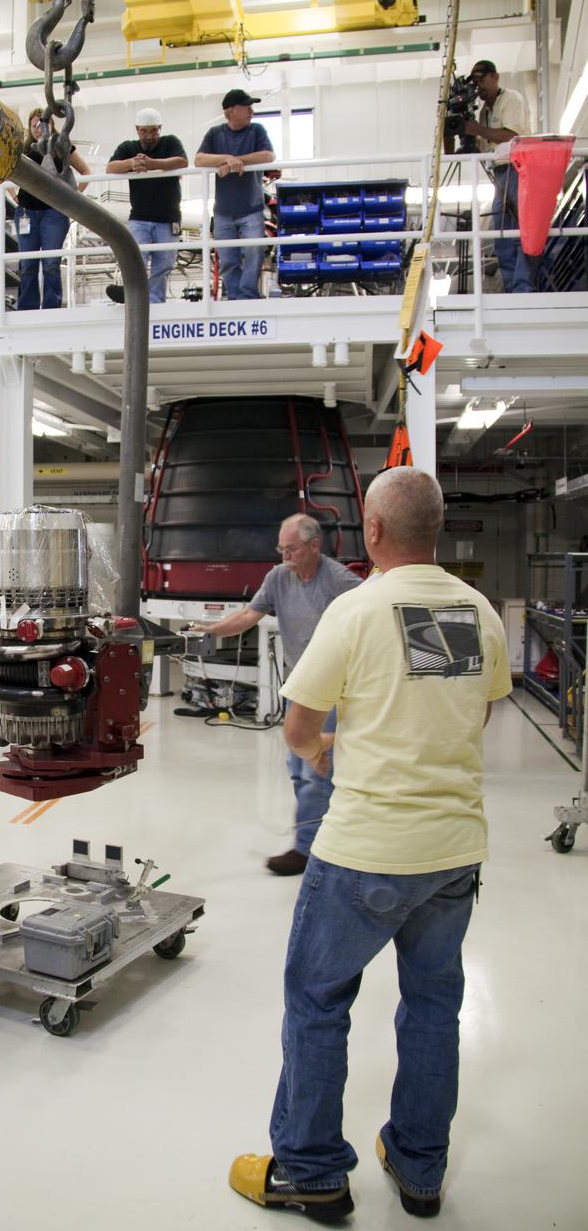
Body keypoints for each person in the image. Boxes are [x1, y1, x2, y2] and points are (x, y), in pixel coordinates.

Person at [228, 467, 512, 1222]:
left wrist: (328, 753)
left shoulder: (355, 611)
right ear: (437, 530)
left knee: (317, 1004)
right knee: (430, 1009)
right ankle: (419, 1168)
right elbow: (474, 716)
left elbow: (297, 726)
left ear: (373, 531)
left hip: (363, 853)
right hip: (452, 854)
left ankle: (311, 1173)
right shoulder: (476, 611)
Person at [201, 514, 359, 875]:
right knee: (298, 766)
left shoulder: (340, 581)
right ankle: (322, 839)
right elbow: (248, 616)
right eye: (281, 548)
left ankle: (308, 850)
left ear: (314, 546)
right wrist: (210, 632)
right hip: (300, 687)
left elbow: (372, 619)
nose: (285, 555)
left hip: (334, 690)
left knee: (314, 769)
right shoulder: (278, 577)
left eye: (292, 548)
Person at [195, 89, 275, 300]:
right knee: (228, 257)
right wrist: (226, 159)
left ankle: (247, 296)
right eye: (247, 107)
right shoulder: (215, 134)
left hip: (251, 209)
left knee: (253, 252)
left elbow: (268, 155)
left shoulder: (257, 130)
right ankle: (235, 296)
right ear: (231, 111)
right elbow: (199, 160)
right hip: (224, 211)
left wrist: (237, 160)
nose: (251, 111)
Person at [463, 61, 535, 293]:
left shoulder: (511, 99)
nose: (479, 87)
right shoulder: (483, 112)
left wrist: (477, 130)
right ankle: (512, 286)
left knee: (520, 231)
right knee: (502, 233)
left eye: (481, 80)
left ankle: (523, 287)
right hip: (499, 173)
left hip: (518, 168)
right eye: (475, 83)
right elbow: (476, 149)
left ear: (495, 77)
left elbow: (511, 135)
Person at [11, 107, 92, 310]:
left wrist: (72, 197)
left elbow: (85, 171)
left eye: (43, 124)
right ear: (30, 128)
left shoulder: (61, 146)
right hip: (27, 212)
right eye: (35, 125)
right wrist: (14, 195)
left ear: (51, 125)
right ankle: (27, 307)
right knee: (28, 264)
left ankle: (51, 305)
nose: (39, 128)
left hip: (54, 212)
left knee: (50, 264)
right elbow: (7, 172)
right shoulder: (24, 149)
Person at [106, 108, 188, 304]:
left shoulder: (171, 142)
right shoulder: (128, 147)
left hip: (168, 218)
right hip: (140, 217)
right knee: (135, 260)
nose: (149, 136)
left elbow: (182, 161)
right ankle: (135, 296)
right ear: (137, 130)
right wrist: (132, 163)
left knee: (164, 264)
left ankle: (154, 300)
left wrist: (151, 164)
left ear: (159, 129)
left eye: (153, 131)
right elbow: (111, 168)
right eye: (144, 131)